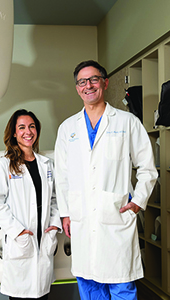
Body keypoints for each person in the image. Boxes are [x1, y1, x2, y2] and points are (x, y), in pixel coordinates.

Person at [54, 60, 158, 300]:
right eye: (82, 81)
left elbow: (147, 168)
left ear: (105, 82)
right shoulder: (68, 128)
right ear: (77, 87)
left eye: (93, 79)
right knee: (90, 285)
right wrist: (66, 213)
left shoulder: (127, 122)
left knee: (121, 283)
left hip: (116, 216)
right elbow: (62, 175)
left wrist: (138, 201)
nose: (88, 85)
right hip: (82, 219)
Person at [0, 109, 62, 300]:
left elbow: (55, 199)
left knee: (42, 294)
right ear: (14, 133)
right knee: (20, 294)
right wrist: (18, 232)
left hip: (43, 236)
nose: (27, 131)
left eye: (31, 126)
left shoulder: (46, 164)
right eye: (21, 127)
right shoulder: (4, 165)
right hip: (21, 238)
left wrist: (54, 224)